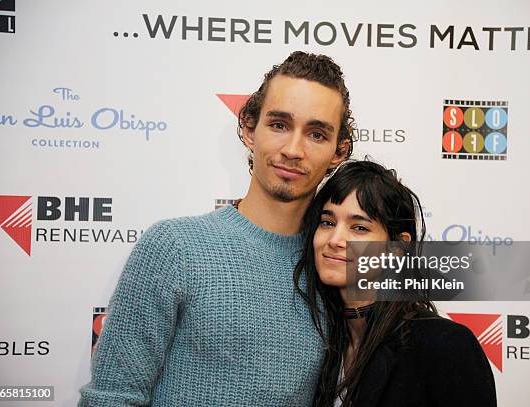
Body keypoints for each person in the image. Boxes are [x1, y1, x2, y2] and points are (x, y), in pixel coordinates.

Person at [79, 51, 355, 406]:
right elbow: (111, 397)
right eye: (279, 125)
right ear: (248, 129)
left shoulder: (332, 263)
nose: (293, 149)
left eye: (317, 134)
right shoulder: (174, 247)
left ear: (339, 151)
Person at [294, 160, 497, 407]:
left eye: (359, 228)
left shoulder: (445, 345)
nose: (336, 239)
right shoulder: (320, 343)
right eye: (328, 222)